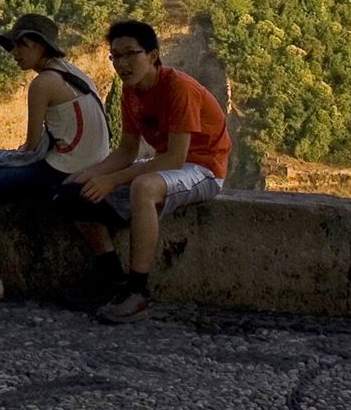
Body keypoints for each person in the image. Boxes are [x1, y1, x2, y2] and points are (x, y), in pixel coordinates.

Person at [59, 19, 230, 325]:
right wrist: (88, 175)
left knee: (143, 187)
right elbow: (126, 151)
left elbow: (175, 158)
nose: (122, 64)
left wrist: (111, 180)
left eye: (130, 54)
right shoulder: (130, 93)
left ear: (152, 56)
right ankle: (114, 281)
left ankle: (139, 293)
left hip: (203, 167)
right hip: (168, 163)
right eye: (116, 57)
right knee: (73, 193)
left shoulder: (178, 88)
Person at [0, 13, 112, 301]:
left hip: (62, 170)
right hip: (92, 164)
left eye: (21, 45)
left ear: (40, 46)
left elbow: (31, 147)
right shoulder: (75, 73)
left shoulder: (43, 84)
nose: (15, 53)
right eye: (13, 46)